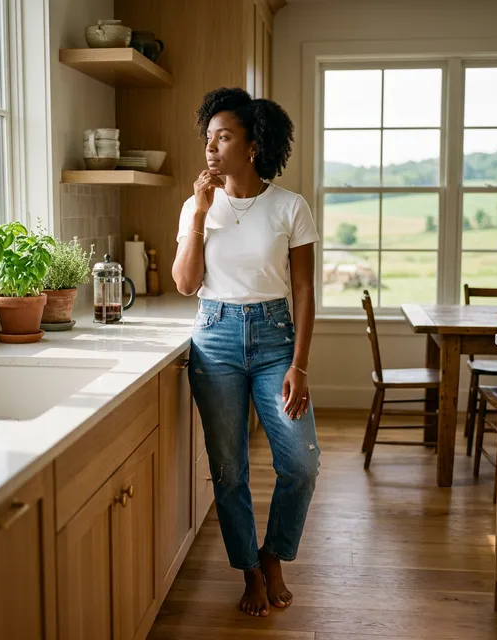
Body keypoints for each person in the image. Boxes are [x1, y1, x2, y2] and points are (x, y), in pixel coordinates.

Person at [172, 87, 321, 618]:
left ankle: (274, 553)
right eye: (208, 138)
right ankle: (250, 570)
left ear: (253, 145)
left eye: (224, 137)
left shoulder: (289, 206)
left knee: (300, 463)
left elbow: (303, 291)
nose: (211, 148)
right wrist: (199, 215)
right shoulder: (198, 205)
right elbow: (187, 284)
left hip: (277, 339)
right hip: (215, 339)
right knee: (229, 469)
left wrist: (299, 365)